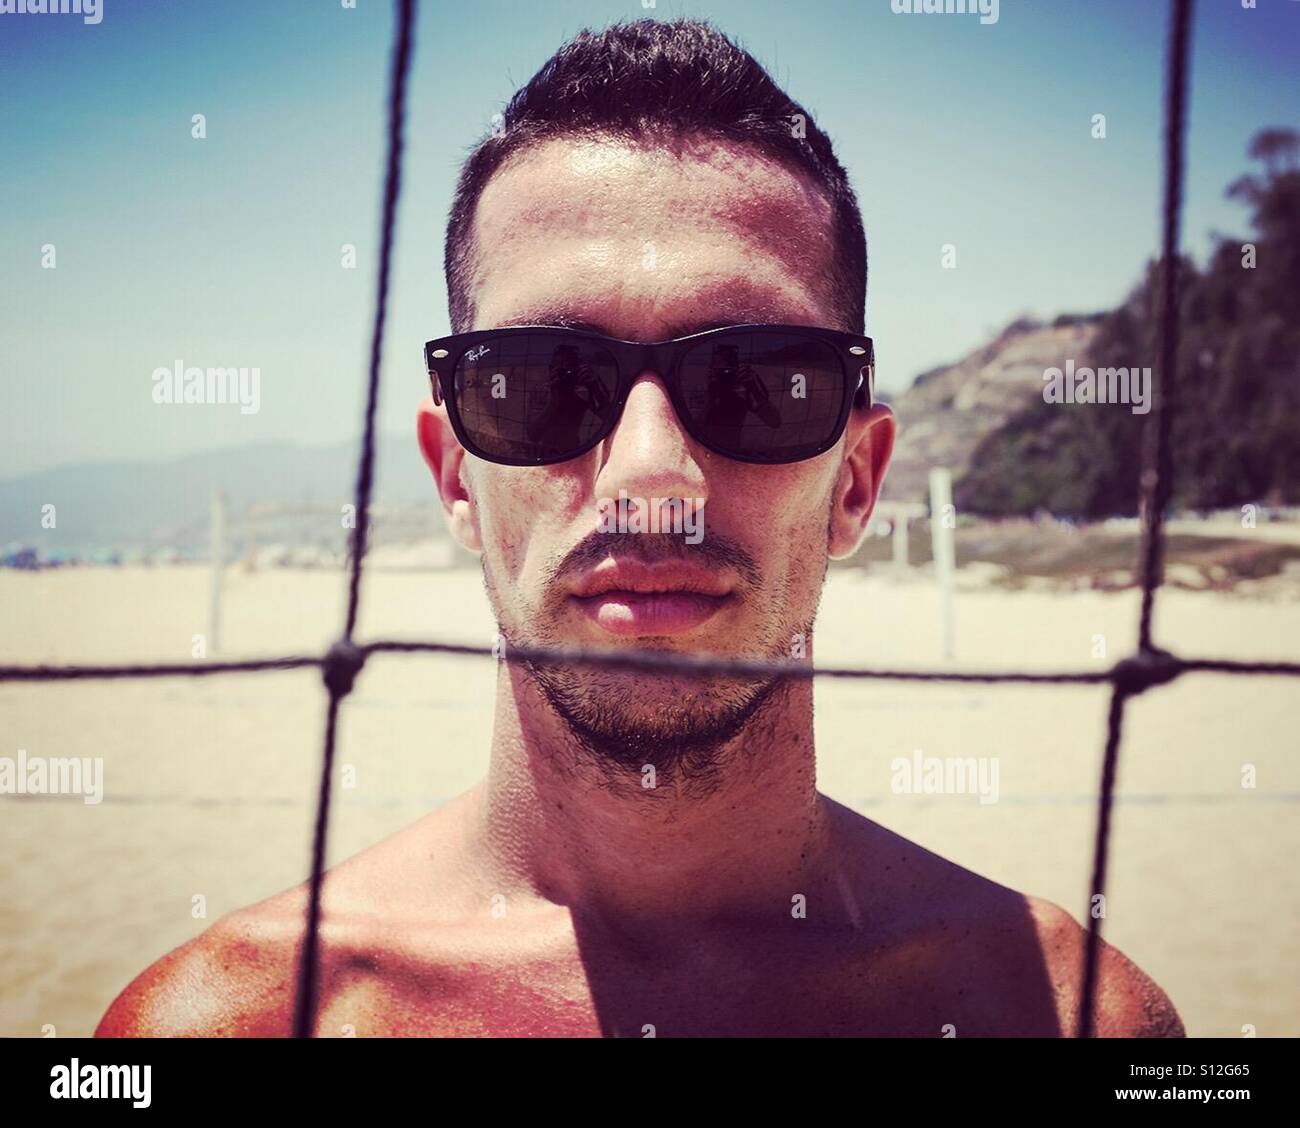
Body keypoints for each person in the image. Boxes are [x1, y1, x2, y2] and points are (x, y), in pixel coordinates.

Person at [97, 18, 1181, 1038]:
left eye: (757, 381)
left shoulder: (1064, 1014)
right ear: (456, 476)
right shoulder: (235, 1024)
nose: (652, 474)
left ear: (857, 482)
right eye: (542, 384)